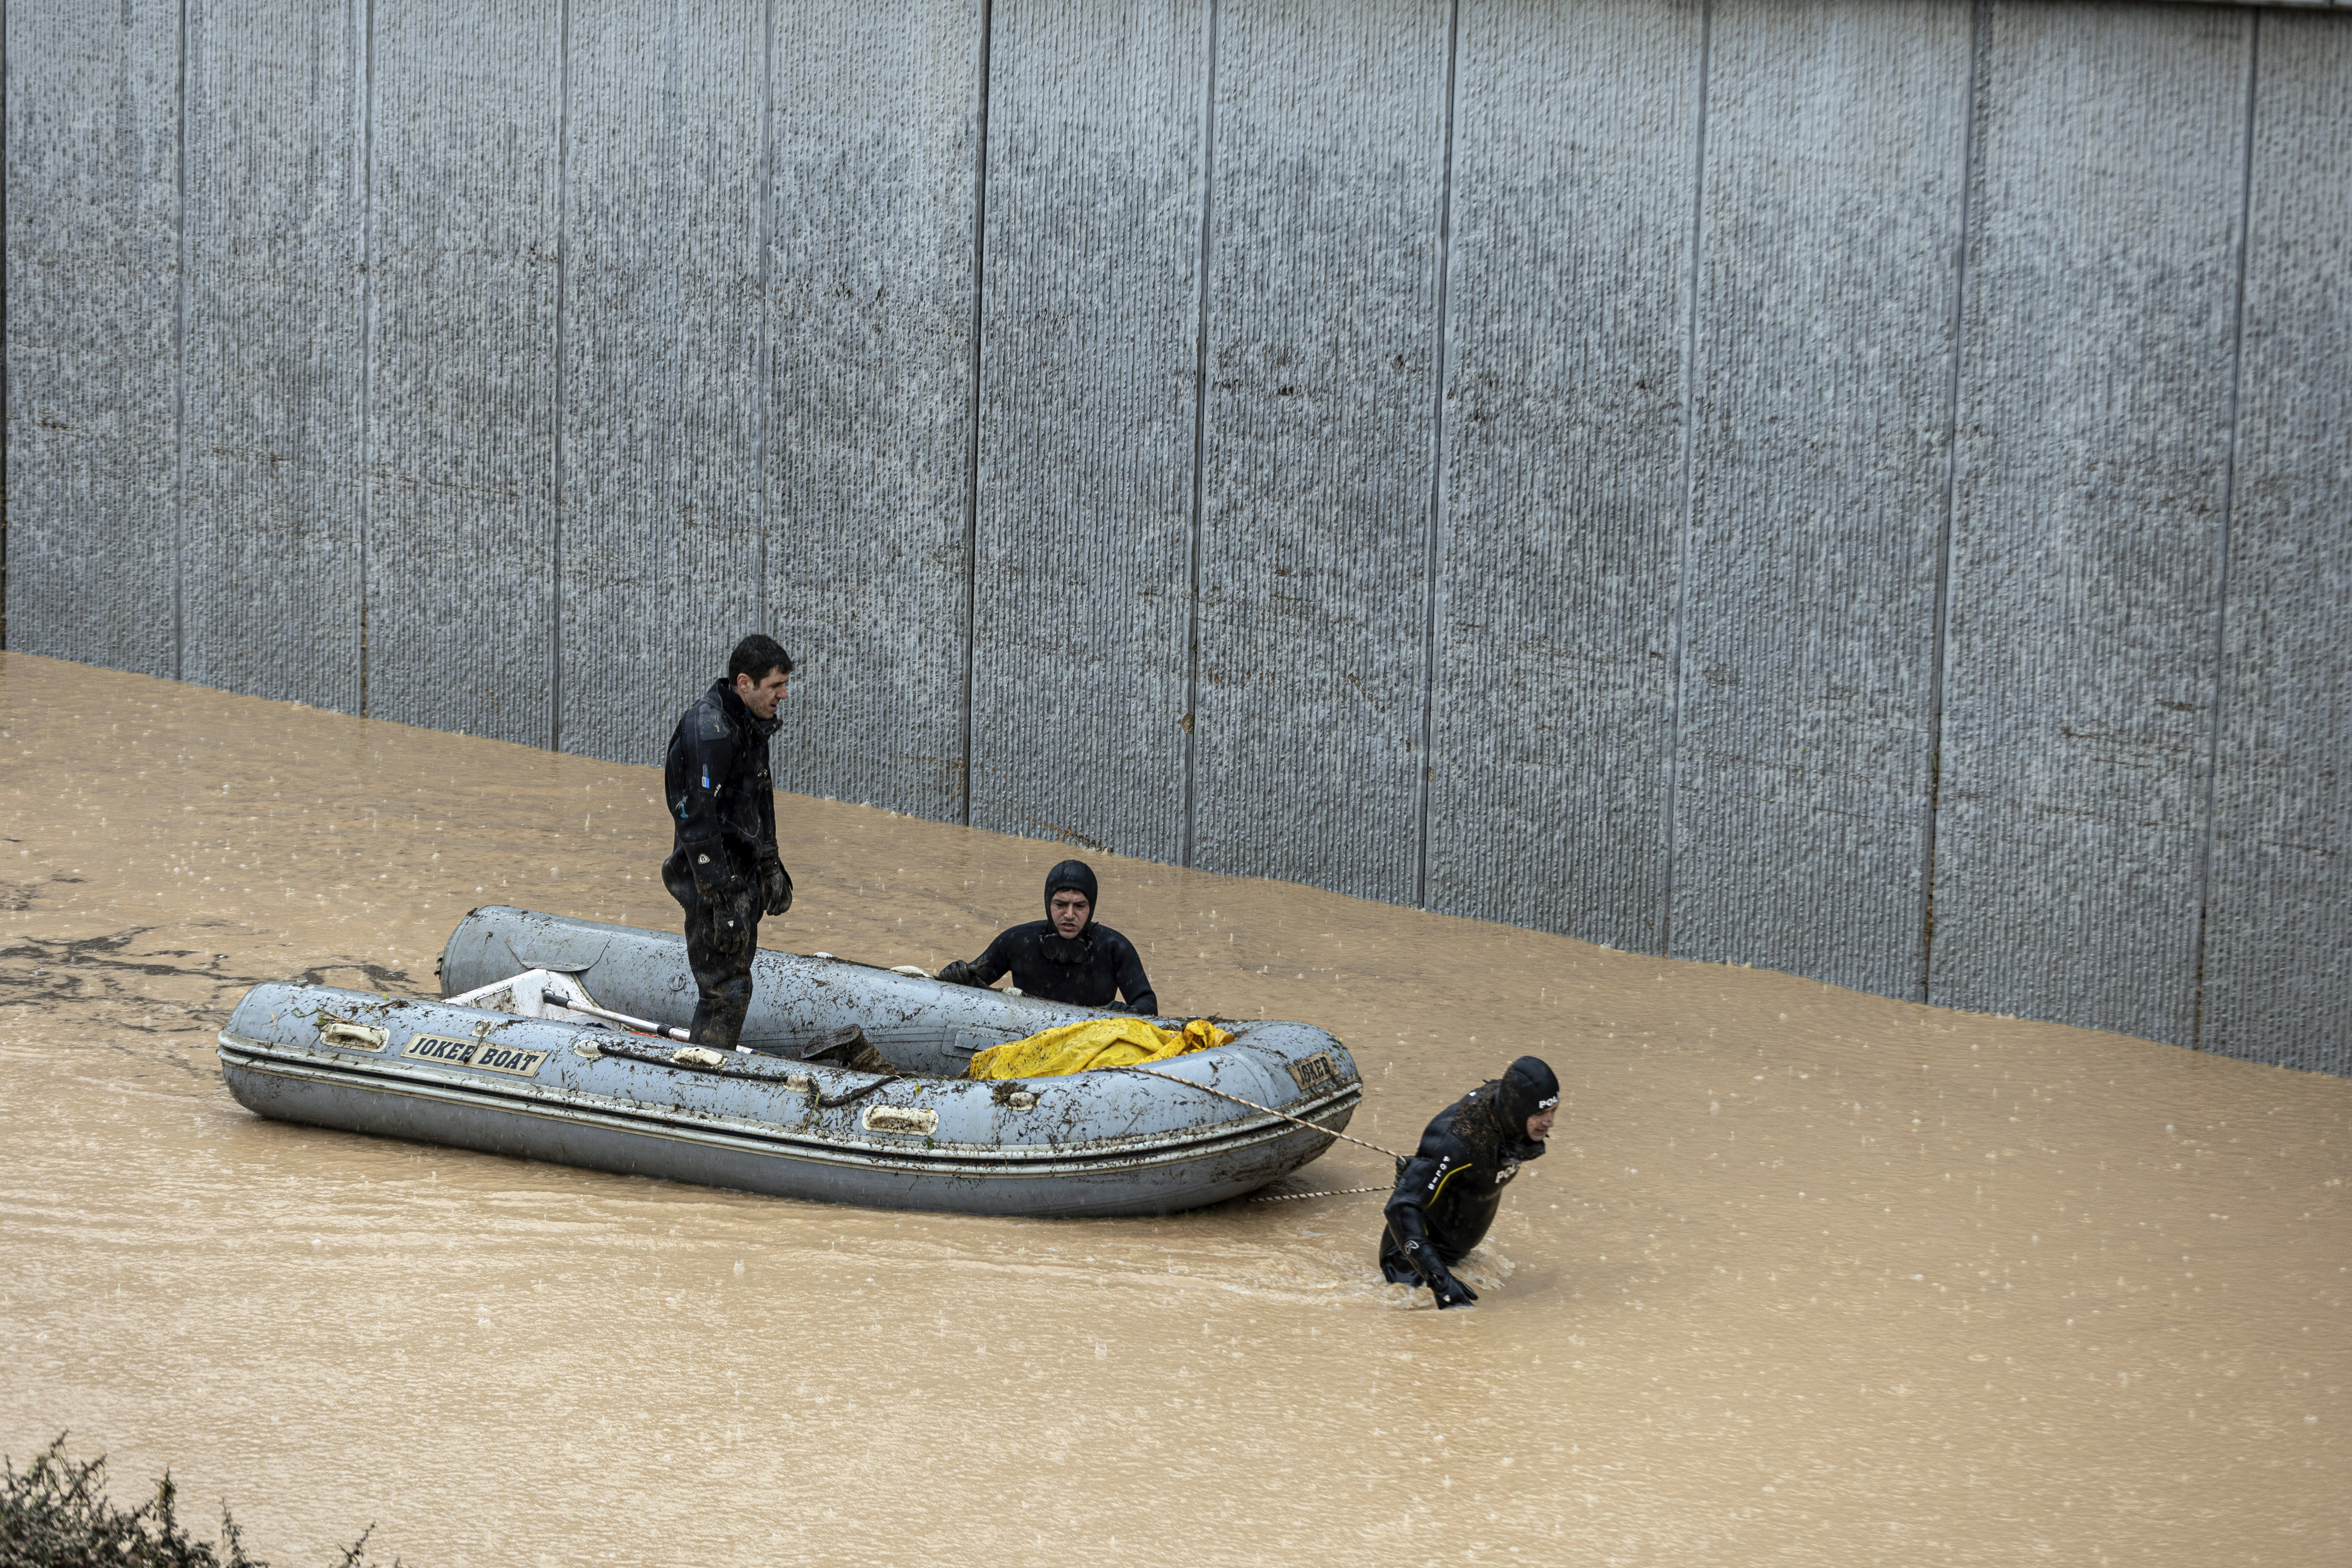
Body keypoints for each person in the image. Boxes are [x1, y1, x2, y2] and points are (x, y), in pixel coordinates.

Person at [662, 634, 795, 1048]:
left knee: (737, 979)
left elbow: (761, 796)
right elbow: (695, 815)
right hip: (713, 875)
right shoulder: (710, 728)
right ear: (744, 683)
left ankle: (713, 1063)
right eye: (775, 685)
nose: (784, 695)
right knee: (727, 989)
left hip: (743, 869)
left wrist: (771, 863)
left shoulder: (751, 724)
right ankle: (702, 1084)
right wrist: (719, 894)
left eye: (784, 684)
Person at [1379, 1056, 1561, 1308]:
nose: (1550, 1122)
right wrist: (1440, 1281)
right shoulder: (1457, 1142)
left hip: (1460, 1258)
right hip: (1413, 1268)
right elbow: (1399, 1208)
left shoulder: (1510, 1112)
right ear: (1518, 1111)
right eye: (1541, 1113)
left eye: (1554, 1111)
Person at [933, 859, 1159, 1015]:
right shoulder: (1017, 942)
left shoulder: (1114, 948)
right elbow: (973, 981)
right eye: (1060, 905)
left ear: (1092, 906)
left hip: (1091, 1035)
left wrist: (1128, 1012)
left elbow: (1148, 1003)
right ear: (1047, 903)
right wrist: (955, 974)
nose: (1069, 916)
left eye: (1080, 906)